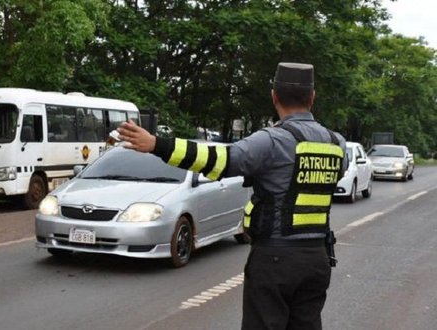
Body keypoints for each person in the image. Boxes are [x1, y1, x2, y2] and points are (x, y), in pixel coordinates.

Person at [117, 62, 347, 330]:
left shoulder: (273, 140)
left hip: (275, 259)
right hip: (317, 259)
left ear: (274, 96)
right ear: (313, 97)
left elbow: (219, 160)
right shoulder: (336, 143)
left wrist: (158, 145)